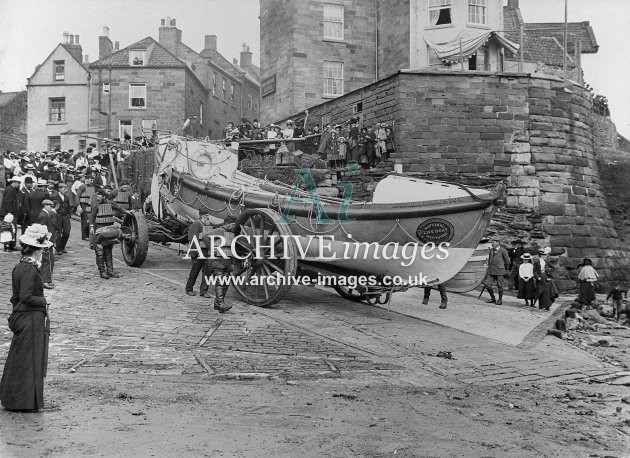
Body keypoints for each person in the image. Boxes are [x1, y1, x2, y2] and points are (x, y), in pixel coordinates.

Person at [0, 224, 52, 411]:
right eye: (42, 250)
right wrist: (45, 300)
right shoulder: (30, 269)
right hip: (30, 319)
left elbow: (16, 298)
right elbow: (26, 297)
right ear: (37, 251)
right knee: (30, 361)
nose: (43, 253)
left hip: (23, 317)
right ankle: (24, 402)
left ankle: (13, 398)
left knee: (19, 359)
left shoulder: (20, 266)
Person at [89, 186, 125, 279]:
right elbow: (92, 217)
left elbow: (119, 208)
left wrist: (128, 212)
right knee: (99, 251)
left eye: (100, 196)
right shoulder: (96, 206)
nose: (98, 198)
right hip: (99, 230)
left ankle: (110, 271)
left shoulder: (110, 203)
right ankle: (102, 271)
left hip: (109, 229)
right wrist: (92, 226)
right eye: (97, 196)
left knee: (108, 250)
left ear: (104, 197)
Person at [185, 215, 212, 297]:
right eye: (206, 217)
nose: (208, 218)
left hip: (206, 252)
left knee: (207, 272)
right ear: (201, 217)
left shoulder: (207, 226)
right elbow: (193, 239)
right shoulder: (196, 224)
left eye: (208, 217)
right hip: (198, 252)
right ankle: (189, 289)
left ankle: (204, 291)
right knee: (194, 271)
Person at [37, 200, 58, 289]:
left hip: (48, 241)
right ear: (45, 205)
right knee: (47, 261)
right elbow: (43, 230)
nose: (51, 208)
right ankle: (45, 281)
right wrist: (46, 242)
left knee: (48, 260)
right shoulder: (43, 215)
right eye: (50, 206)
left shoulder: (46, 214)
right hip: (46, 242)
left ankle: (46, 279)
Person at [483, 240, 510, 305]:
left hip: (499, 271)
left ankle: (500, 300)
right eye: (492, 242)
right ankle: (493, 298)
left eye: (494, 242)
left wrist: (503, 267)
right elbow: (489, 260)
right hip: (491, 270)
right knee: (487, 284)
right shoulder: (491, 250)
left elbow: (508, 261)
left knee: (500, 286)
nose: (492, 244)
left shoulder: (503, 251)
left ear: (498, 243)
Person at [0, 176, 22, 251]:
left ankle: (11, 245)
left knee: (11, 230)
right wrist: (10, 213)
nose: (19, 185)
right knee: (8, 230)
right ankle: (8, 246)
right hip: (9, 214)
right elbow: (8, 202)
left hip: (10, 213)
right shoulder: (10, 190)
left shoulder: (11, 189)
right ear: (14, 182)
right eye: (18, 183)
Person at [52, 182, 72, 254]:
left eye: (66, 188)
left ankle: (63, 246)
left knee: (67, 232)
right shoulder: (54, 196)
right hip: (58, 215)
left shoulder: (66, 197)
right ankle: (58, 248)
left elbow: (69, 206)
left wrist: (69, 214)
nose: (65, 190)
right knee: (58, 232)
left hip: (66, 215)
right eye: (64, 189)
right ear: (59, 189)